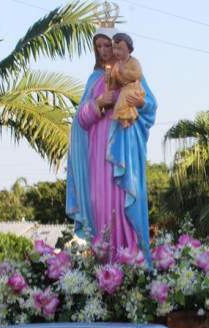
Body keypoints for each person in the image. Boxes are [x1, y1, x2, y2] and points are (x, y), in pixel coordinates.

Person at [66, 26, 156, 263]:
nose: (105, 51)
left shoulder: (133, 74)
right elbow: (80, 121)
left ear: (119, 47)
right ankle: (105, 262)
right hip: (98, 155)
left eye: (109, 46)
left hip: (124, 151)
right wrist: (97, 104)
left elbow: (151, 107)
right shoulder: (95, 80)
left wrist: (140, 103)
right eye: (100, 47)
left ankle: (130, 260)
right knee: (100, 205)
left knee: (124, 204)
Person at [108, 33, 145, 128]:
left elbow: (138, 75)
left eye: (120, 48)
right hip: (125, 90)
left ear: (129, 49)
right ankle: (129, 119)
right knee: (123, 103)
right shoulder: (116, 65)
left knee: (121, 104)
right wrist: (109, 78)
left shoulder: (134, 62)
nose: (116, 51)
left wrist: (123, 71)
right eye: (114, 48)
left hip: (134, 87)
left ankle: (128, 119)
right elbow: (113, 86)